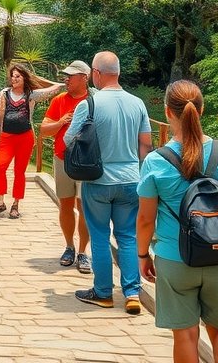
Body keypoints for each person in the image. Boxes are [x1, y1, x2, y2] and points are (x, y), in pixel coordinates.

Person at [137, 80, 218, 363]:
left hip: (175, 258)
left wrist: (143, 255)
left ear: (167, 112)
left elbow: (145, 219)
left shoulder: (156, 161)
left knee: (186, 335)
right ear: (200, 110)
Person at [66, 51, 152, 314]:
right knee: (127, 236)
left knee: (100, 236)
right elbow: (146, 145)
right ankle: (132, 293)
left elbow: (69, 139)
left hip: (99, 180)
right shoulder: (138, 103)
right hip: (131, 180)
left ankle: (103, 292)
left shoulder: (89, 104)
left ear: (96, 74)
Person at [0, 63, 63, 219]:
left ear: (24, 78)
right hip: (7, 137)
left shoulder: (31, 94)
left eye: (18, 76)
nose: (14, 79)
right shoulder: (4, 93)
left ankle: (15, 204)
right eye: (12, 76)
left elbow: (51, 91)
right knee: (0, 166)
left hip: (25, 137)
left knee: (19, 172)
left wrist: (59, 83)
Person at [40, 60, 92, 273]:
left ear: (85, 78)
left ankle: (83, 252)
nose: (66, 79)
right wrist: (61, 122)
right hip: (63, 159)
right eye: (65, 75)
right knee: (66, 204)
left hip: (87, 162)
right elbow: (44, 130)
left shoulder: (94, 101)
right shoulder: (60, 100)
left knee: (84, 207)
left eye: (71, 76)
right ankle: (69, 246)